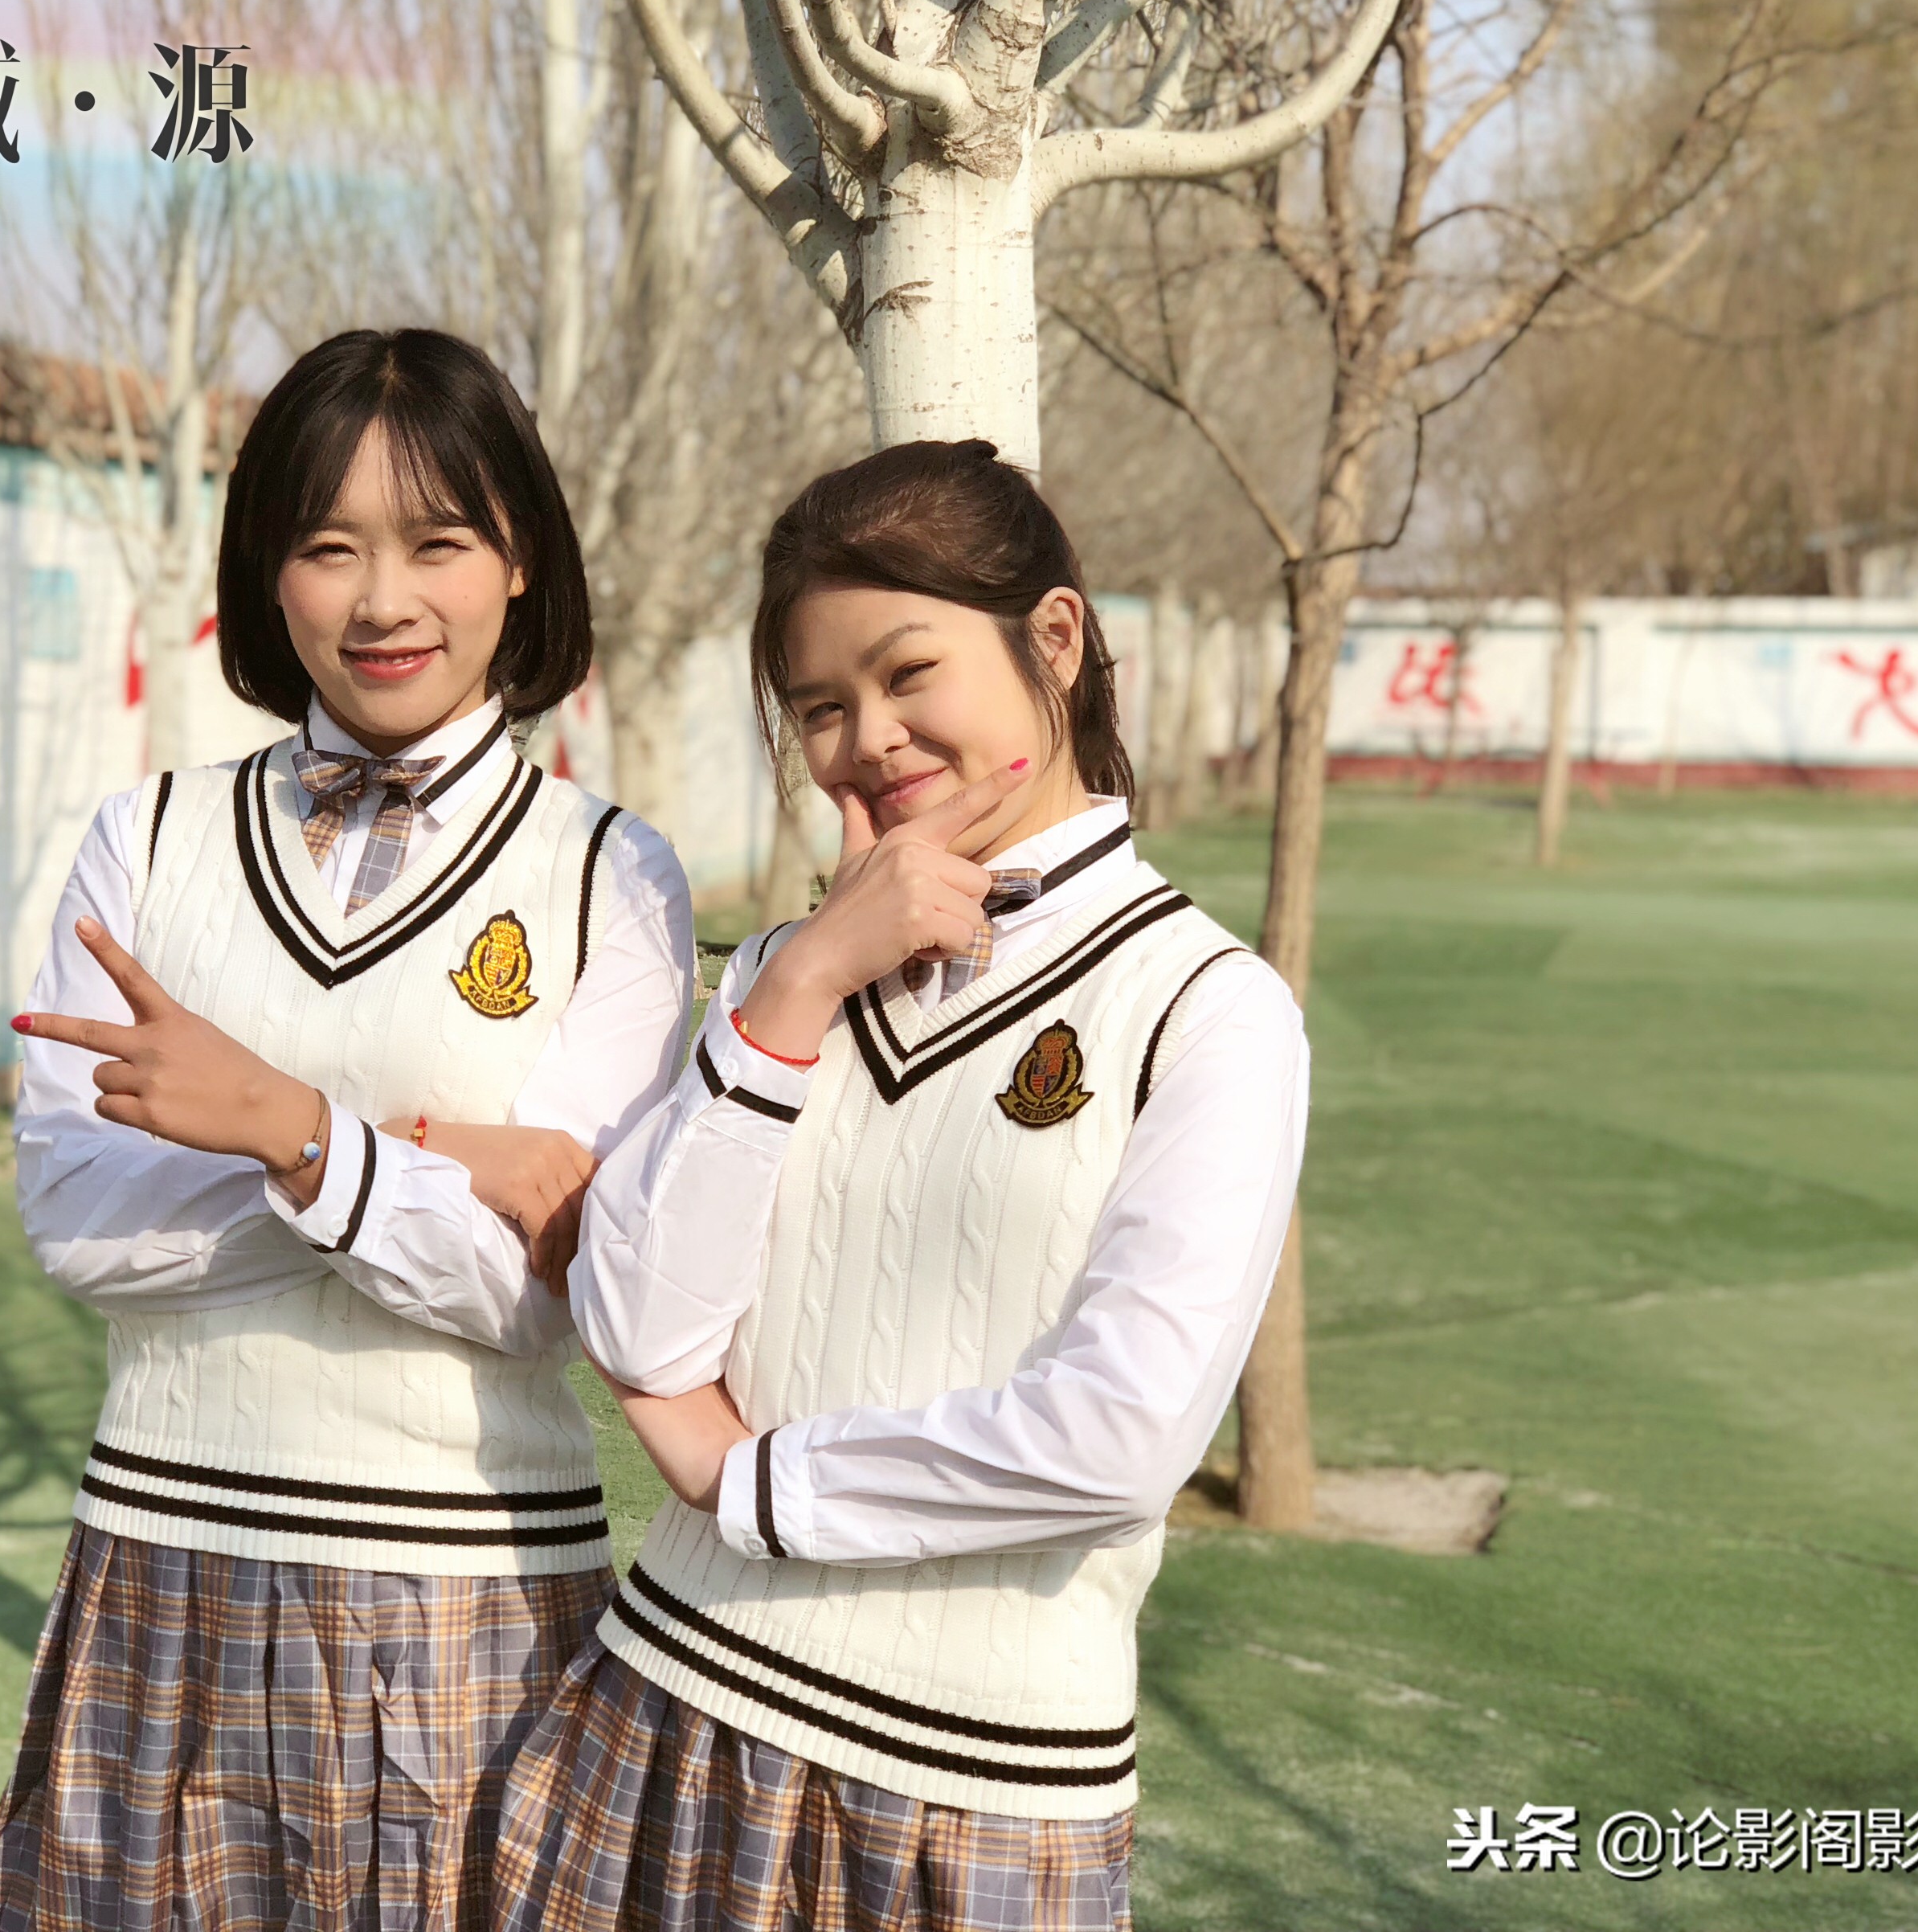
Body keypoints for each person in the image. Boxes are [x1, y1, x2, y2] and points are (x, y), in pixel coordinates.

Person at [492, 441, 1312, 1932]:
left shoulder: (1207, 1008)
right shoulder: (784, 975)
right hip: (672, 1695)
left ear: (1053, 639)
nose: (868, 738)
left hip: (972, 1793)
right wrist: (803, 979)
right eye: (819, 706)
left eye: (908, 671)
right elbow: (637, 1321)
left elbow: (1116, 1437)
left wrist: (753, 1483)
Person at [0, 329, 695, 1932]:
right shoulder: (149, 835)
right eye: (328, 546)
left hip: (466, 1583)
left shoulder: (609, 873)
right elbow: (81, 1225)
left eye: (438, 542)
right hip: (162, 1544)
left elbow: (546, 1301)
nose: (383, 600)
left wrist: (293, 1132)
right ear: (266, 570)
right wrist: (433, 1162)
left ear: (520, 559)